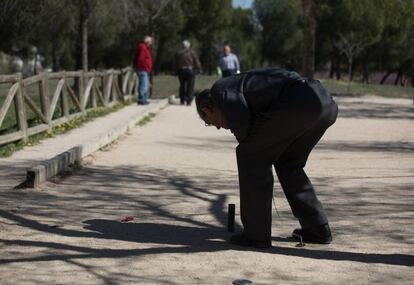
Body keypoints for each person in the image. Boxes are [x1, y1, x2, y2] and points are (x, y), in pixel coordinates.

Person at [195, 67, 338, 248]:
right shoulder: (237, 87)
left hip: (301, 101)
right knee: (288, 163)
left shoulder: (221, 91)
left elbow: (247, 136)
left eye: (208, 121)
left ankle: (256, 236)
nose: (215, 127)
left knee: (250, 157)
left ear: (207, 108)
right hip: (324, 102)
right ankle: (317, 229)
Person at [173, 40, 202, 105]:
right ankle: (189, 100)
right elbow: (196, 61)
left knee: (182, 85)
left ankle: (182, 100)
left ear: (182, 46)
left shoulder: (178, 53)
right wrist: (199, 69)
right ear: (188, 46)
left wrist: (175, 71)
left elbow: (175, 63)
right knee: (190, 86)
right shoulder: (192, 52)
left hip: (181, 70)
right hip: (190, 70)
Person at [133, 36, 153, 105]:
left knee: (144, 84)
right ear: (147, 42)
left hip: (144, 69)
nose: (151, 43)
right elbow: (140, 58)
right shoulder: (143, 48)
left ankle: (143, 99)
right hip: (142, 69)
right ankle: (141, 99)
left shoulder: (145, 48)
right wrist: (140, 66)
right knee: (144, 85)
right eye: (150, 42)